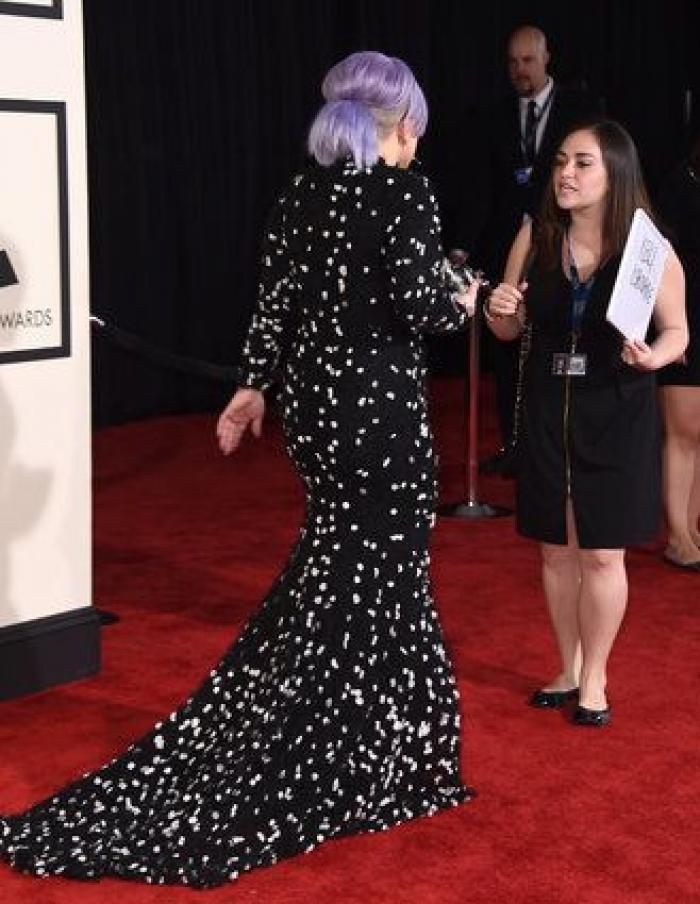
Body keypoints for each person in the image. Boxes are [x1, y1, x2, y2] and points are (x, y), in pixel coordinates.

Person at [0, 52, 477, 887]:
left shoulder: (301, 194)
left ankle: (355, 737)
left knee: (339, 568)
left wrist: (252, 390)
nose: (416, 145)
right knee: (387, 576)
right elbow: (423, 308)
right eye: (416, 131)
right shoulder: (405, 194)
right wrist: (462, 295)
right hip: (381, 417)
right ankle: (381, 755)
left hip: (318, 414)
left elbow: (273, 302)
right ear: (401, 124)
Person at [485, 120, 687, 726]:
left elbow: (678, 331)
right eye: (560, 163)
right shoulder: (536, 237)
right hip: (549, 406)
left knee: (601, 555)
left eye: (582, 163)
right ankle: (567, 665)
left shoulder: (648, 249)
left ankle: (595, 674)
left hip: (616, 409)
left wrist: (656, 354)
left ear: (615, 173)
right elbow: (508, 329)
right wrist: (501, 311)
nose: (565, 174)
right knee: (555, 552)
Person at [480, 25, 599, 475]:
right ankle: (519, 444)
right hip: (523, 239)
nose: (519, 70)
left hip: (573, 243)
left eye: (527, 60)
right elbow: (507, 326)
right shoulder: (493, 116)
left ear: (548, 59)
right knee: (518, 351)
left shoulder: (582, 109)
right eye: (512, 62)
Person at [656, 132, 700, 570]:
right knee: (683, 432)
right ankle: (678, 535)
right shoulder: (677, 189)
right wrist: (671, 330)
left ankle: (692, 526)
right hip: (684, 321)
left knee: (699, 436)